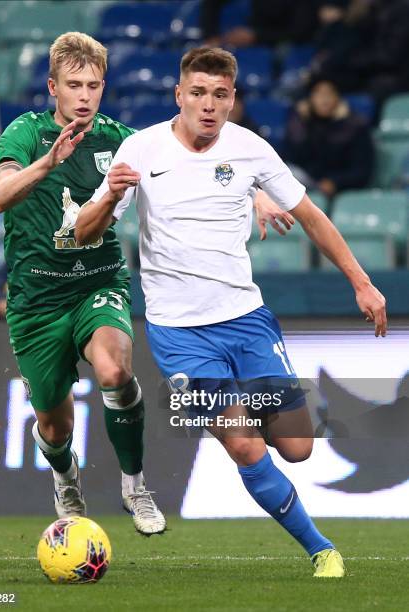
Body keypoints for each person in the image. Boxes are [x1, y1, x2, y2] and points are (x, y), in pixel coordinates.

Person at [75, 47, 387, 577]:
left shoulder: (251, 151)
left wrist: (362, 283)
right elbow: (84, 232)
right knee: (244, 444)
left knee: (298, 448)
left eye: (220, 95)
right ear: (179, 95)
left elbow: (310, 216)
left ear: (233, 100)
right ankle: (322, 550)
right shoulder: (141, 149)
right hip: (179, 334)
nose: (208, 105)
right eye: (197, 93)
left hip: (246, 320)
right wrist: (109, 200)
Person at [0, 32, 165, 535]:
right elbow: (0, 195)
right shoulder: (24, 133)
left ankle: (135, 485)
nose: (85, 95)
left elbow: (179, 170)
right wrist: (47, 164)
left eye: (93, 85)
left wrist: (254, 197)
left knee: (114, 371)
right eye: (74, 85)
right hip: (36, 300)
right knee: (54, 425)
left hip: (98, 281)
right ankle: (66, 480)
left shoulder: (121, 139)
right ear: (53, 87)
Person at [284, 78, 374, 197]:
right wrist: (300, 123)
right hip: (307, 183)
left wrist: (335, 182)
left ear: (338, 98)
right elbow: (291, 157)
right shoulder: (303, 123)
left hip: (341, 187)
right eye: (318, 93)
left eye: (329, 93)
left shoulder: (355, 126)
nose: (324, 99)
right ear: (310, 98)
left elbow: (362, 170)